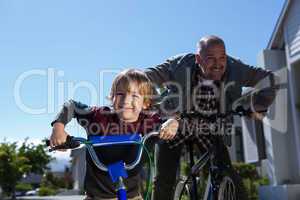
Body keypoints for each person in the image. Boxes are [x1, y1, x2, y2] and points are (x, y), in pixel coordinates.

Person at [145, 35, 278, 200]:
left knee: (228, 174)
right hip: (177, 123)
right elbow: (144, 79)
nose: (218, 64)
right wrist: (161, 108)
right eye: (210, 59)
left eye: (222, 57)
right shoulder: (179, 65)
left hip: (209, 126)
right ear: (198, 59)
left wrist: (257, 105)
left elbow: (270, 79)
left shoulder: (235, 68)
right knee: (165, 178)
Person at [49, 69, 179, 200]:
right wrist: (58, 127)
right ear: (112, 97)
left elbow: (170, 121)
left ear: (145, 103)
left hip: (132, 196)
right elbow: (71, 106)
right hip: (96, 197)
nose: (126, 101)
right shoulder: (98, 117)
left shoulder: (150, 123)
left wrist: (172, 123)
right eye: (120, 94)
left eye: (135, 96)